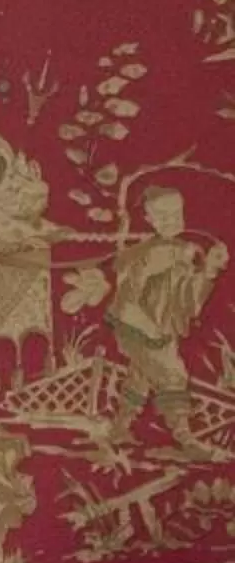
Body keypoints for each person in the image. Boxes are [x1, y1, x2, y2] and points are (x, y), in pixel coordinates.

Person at [103, 186, 227, 456]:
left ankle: (120, 427)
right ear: (148, 219)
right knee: (172, 373)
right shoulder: (145, 254)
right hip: (136, 325)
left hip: (161, 327)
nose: (171, 220)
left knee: (141, 375)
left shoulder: (182, 251)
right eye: (162, 215)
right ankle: (186, 438)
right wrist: (148, 328)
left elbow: (188, 300)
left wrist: (209, 270)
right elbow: (127, 298)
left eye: (176, 213)